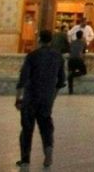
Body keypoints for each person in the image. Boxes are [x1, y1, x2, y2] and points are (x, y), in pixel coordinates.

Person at [16, 30, 65, 168]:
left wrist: (18, 98)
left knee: (27, 129)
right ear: (51, 40)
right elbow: (61, 81)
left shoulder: (32, 56)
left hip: (31, 97)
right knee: (46, 127)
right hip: (47, 97)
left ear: (39, 40)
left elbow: (23, 79)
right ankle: (48, 150)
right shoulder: (58, 57)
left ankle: (25, 159)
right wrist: (52, 97)